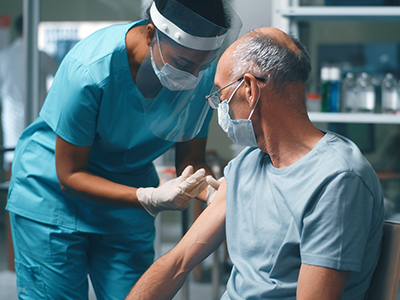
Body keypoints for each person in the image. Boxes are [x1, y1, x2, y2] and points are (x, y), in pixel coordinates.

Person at [126, 27, 385, 300]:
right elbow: (177, 263)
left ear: (249, 89)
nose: (220, 106)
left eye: (220, 94)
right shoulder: (247, 165)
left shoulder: (337, 180)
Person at [5, 1, 241, 299]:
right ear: (151, 33)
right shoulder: (90, 68)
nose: (193, 77)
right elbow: (70, 173)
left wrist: (211, 191)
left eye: (203, 65)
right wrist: (148, 197)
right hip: (52, 196)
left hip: (125, 201)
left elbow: (191, 160)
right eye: (182, 64)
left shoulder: (201, 75)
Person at [0, 14, 58, 173]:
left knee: (12, 161)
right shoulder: (40, 55)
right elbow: (61, 79)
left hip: (12, 118)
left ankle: (10, 198)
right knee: (38, 162)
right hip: (38, 117)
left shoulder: (3, 57)